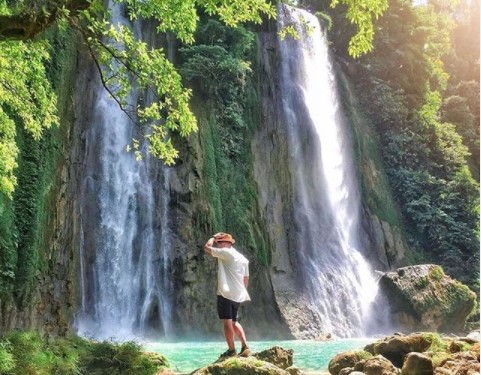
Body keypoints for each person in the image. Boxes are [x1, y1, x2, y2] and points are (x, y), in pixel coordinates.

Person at [204, 232, 251, 358]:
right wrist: (241, 291)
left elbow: (206, 248)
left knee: (227, 322)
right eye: (217, 243)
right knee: (234, 321)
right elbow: (246, 278)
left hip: (226, 293)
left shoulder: (226, 253)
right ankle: (245, 346)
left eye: (219, 243)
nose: (218, 245)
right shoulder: (242, 258)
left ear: (225, 243)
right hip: (238, 294)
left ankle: (231, 350)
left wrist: (213, 237)